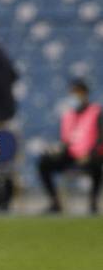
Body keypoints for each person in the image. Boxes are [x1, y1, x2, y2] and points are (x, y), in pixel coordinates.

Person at [38, 79, 103, 214]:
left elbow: (100, 138)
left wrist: (89, 154)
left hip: (90, 156)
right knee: (44, 162)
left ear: (84, 93)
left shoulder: (96, 112)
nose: (74, 96)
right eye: (72, 93)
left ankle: (93, 204)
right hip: (71, 155)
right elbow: (66, 141)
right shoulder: (68, 115)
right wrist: (57, 150)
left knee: (97, 165)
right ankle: (55, 202)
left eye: (77, 92)